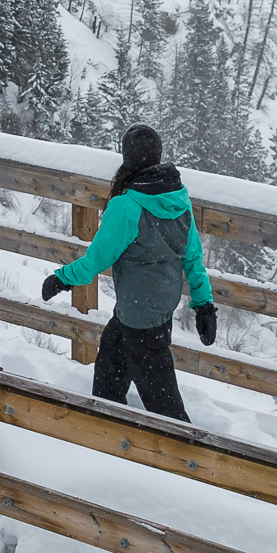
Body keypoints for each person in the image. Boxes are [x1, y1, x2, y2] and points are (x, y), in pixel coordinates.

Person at [39, 122, 218, 420]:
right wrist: (203, 305)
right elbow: (193, 259)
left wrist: (61, 279)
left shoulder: (127, 206)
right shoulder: (178, 197)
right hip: (150, 309)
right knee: (109, 374)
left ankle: (185, 453)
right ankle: (107, 425)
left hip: (140, 319)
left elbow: (95, 261)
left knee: (166, 410)